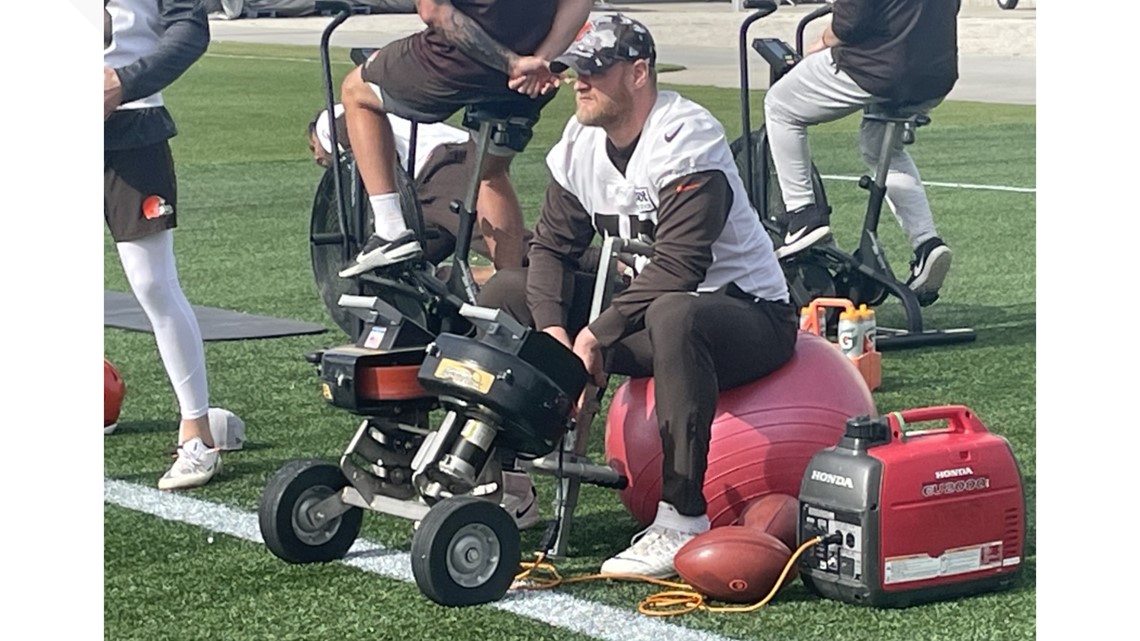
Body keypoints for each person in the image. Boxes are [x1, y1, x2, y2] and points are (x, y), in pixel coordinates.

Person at [478, 14, 798, 577]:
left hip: (747, 317)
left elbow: (680, 266)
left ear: (639, 73)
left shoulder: (687, 137)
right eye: (574, 71)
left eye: (594, 72)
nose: (579, 83)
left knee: (677, 312)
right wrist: (554, 333)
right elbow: (549, 248)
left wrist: (596, 333)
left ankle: (681, 517)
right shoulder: (582, 140)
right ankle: (509, 482)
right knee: (507, 291)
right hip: (648, 316)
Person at [336, 0, 595, 277]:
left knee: (356, 91)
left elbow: (433, 10)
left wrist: (513, 64)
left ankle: (390, 230)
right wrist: (541, 60)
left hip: (456, 65)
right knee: (491, 175)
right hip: (535, 78)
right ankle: (510, 288)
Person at [105, 0, 227, 490]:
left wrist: (125, 82)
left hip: (132, 130)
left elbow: (190, 29)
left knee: (153, 283)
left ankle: (196, 431)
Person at [765, 0, 960, 299]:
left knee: (779, 105)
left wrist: (820, 43)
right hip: (936, 72)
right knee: (881, 147)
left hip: (878, 66)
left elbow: (849, 23)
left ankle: (804, 215)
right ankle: (926, 244)